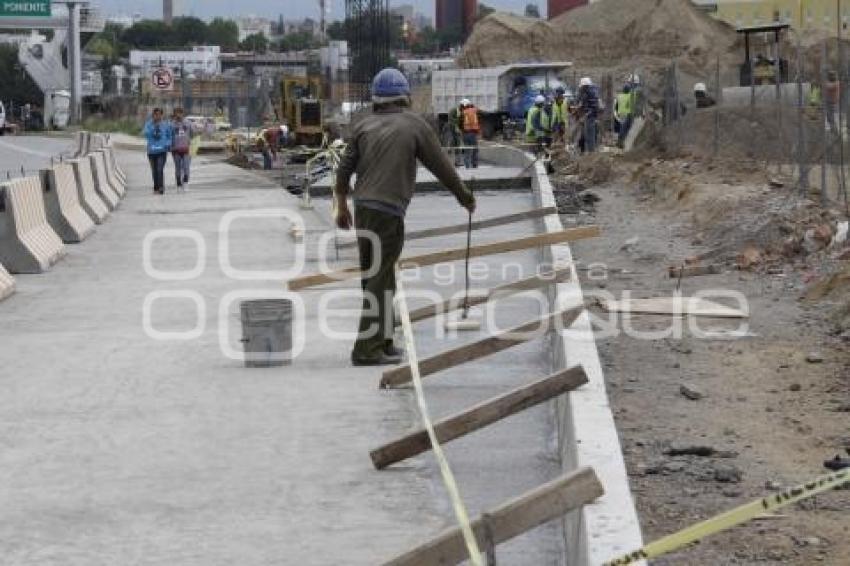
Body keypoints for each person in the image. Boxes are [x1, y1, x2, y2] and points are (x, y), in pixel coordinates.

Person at [334, 68, 476, 366]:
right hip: (388, 211)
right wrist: (465, 197)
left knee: (376, 277)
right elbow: (442, 166)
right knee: (380, 278)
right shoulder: (415, 125)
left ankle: (383, 341)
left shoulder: (363, 124)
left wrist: (342, 206)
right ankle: (366, 350)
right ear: (405, 96)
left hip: (363, 208)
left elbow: (344, 169)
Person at [143, 108, 172, 194]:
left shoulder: (166, 125)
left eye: (159, 114)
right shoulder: (148, 124)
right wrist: (154, 127)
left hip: (162, 151)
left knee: (160, 169)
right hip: (151, 151)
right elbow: (146, 134)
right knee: (154, 170)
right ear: (153, 115)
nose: (157, 116)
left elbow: (169, 136)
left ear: (161, 115)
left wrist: (168, 144)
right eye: (155, 114)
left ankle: (161, 187)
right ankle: (156, 187)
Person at [170, 107, 193, 191]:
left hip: (186, 149)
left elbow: (192, 134)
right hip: (175, 149)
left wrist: (190, 143)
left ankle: (186, 182)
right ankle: (179, 184)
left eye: (180, 113)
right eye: (176, 113)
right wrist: (171, 146)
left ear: (183, 114)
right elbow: (170, 136)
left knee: (186, 167)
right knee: (178, 167)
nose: (178, 115)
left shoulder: (188, 123)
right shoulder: (172, 125)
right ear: (174, 114)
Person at [576, 77, 601, 153]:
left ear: (585, 86)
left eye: (582, 87)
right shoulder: (588, 92)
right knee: (588, 134)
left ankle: (591, 151)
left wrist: (586, 114)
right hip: (589, 115)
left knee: (590, 134)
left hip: (591, 116)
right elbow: (585, 104)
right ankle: (590, 150)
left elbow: (594, 107)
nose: (581, 89)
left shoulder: (591, 93)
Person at [461, 98, 480, 169]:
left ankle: (467, 166)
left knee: (467, 150)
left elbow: (460, 123)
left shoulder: (463, 112)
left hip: (465, 134)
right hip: (472, 133)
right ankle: (474, 165)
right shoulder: (474, 110)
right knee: (475, 149)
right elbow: (480, 112)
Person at [614, 84, 635, 148]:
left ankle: (620, 141)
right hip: (628, 114)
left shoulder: (619, 96)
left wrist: (617, 114)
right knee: (627, 128)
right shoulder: (631, 96)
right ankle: (623, 142)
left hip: (621, 114)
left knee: (622, 128)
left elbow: (616, 106)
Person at [447, 100, 464, 166]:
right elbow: (453, 120)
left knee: (456, 145)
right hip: (454, 128)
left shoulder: (456, 111)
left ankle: (457, 162)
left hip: (454, 128)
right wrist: (459, 120)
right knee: (456, 143)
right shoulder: (456, 111)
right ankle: (456, 162)